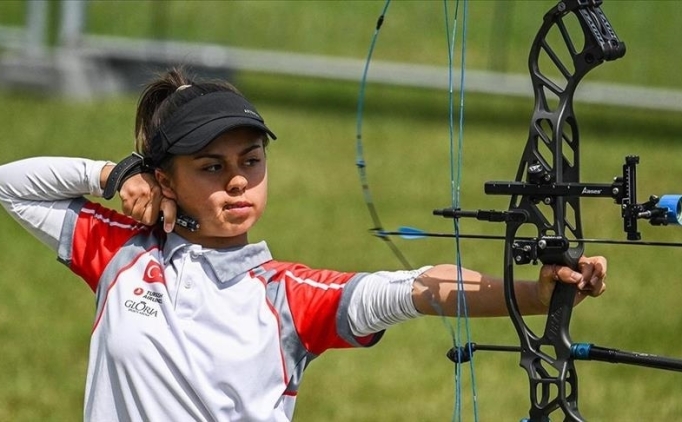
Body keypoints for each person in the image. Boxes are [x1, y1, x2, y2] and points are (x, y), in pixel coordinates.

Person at [0, 68, 606, 422]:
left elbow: (418, 288)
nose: (238, 181)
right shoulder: (122, 255)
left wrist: (534, 294)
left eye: (251, 161)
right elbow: (11, 186)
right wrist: (110, 174)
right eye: (211, 167)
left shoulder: (287, 297)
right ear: (165, 180)